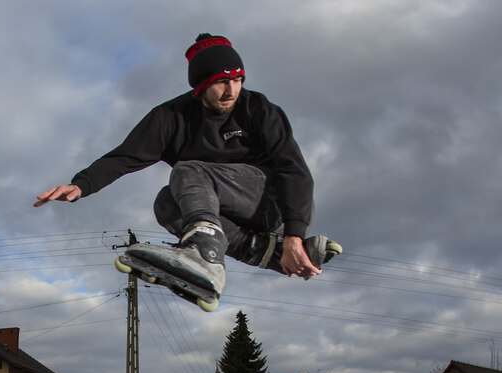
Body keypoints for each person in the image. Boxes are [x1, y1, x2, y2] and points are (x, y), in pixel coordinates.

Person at [35, 33, 338, 301]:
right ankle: (262, 253)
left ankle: (206, 251)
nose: (231, 91)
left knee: (189, 170)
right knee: (167, 204)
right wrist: (82, 184)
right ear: (201, 85)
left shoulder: (258, 109)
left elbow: (293, 170)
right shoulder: (171, 118)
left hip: (273, 204)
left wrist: (295, 235)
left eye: (237, 80)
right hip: (231, 213)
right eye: (221, 82)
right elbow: (125, 156)